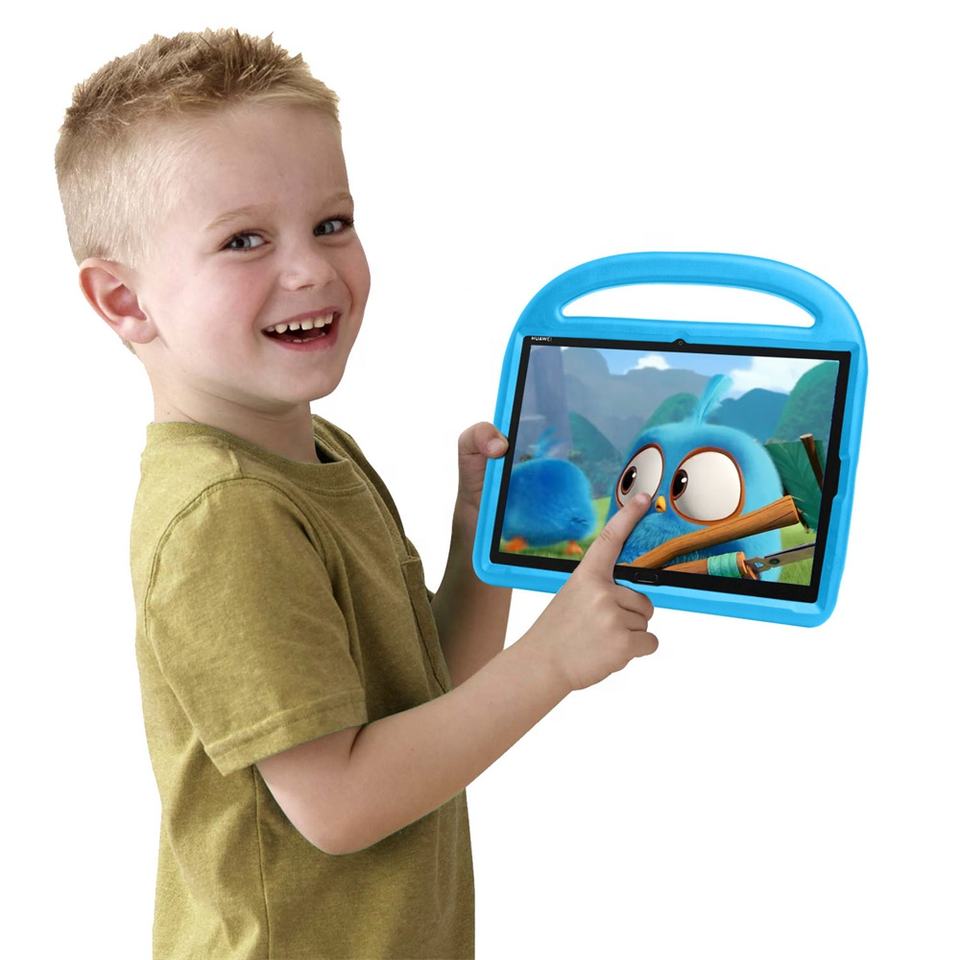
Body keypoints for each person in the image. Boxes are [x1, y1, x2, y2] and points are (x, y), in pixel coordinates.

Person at [55, 27, 659, 960]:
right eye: (244, 240)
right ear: (125, 302)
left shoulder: (317, 455)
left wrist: (477, 543)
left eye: (331, 223)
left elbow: (427, 697)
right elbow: (337, 804)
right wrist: (552, 662)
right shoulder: (226, 515)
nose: (310, 268)